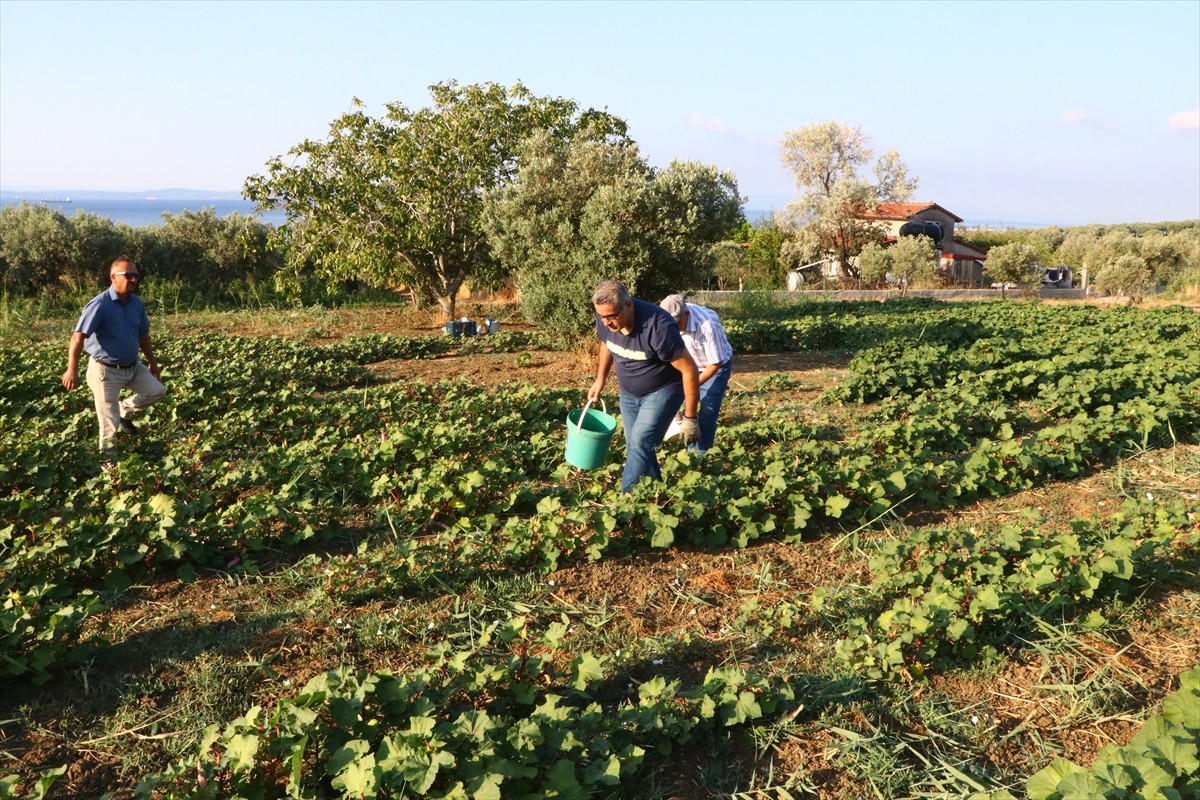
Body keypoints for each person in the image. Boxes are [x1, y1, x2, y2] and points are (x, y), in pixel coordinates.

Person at [589, 280, 700, 493]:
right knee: (636, 448)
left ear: (628, 305)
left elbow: (689, 370)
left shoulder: (658, 327)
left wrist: (691, 417)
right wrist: (600, 379)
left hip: (663, 389)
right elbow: (606, 343)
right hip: (629, 393)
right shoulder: (605, 318)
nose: (606, 323)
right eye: (601, 317)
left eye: (612, 316)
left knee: (640, 443)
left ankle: (626, 499)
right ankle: (656, 495)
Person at [62, 257, 166, 463]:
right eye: (128, 275)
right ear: (113, 277)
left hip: (132, 366)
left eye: (136, 275)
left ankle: (124, 409)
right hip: (105, 371)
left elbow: (143, 336)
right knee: (108, 424)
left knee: (157, 391)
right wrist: (71, 369)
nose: (133, 279)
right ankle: (109, 470)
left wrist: (152, 363)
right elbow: (78, 337)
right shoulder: (100, 304)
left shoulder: (137, 304)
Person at [659, 294, 733, 455]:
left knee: (707, 410)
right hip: (686, 366)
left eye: (678, 324)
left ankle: (699, 455)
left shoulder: (707, 325)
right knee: (676, 402)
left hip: (713, 367)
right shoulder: (663, 321)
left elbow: (716, 363)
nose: (675, 328)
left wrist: (691, 384)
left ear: (686, 313)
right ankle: (682, 438)